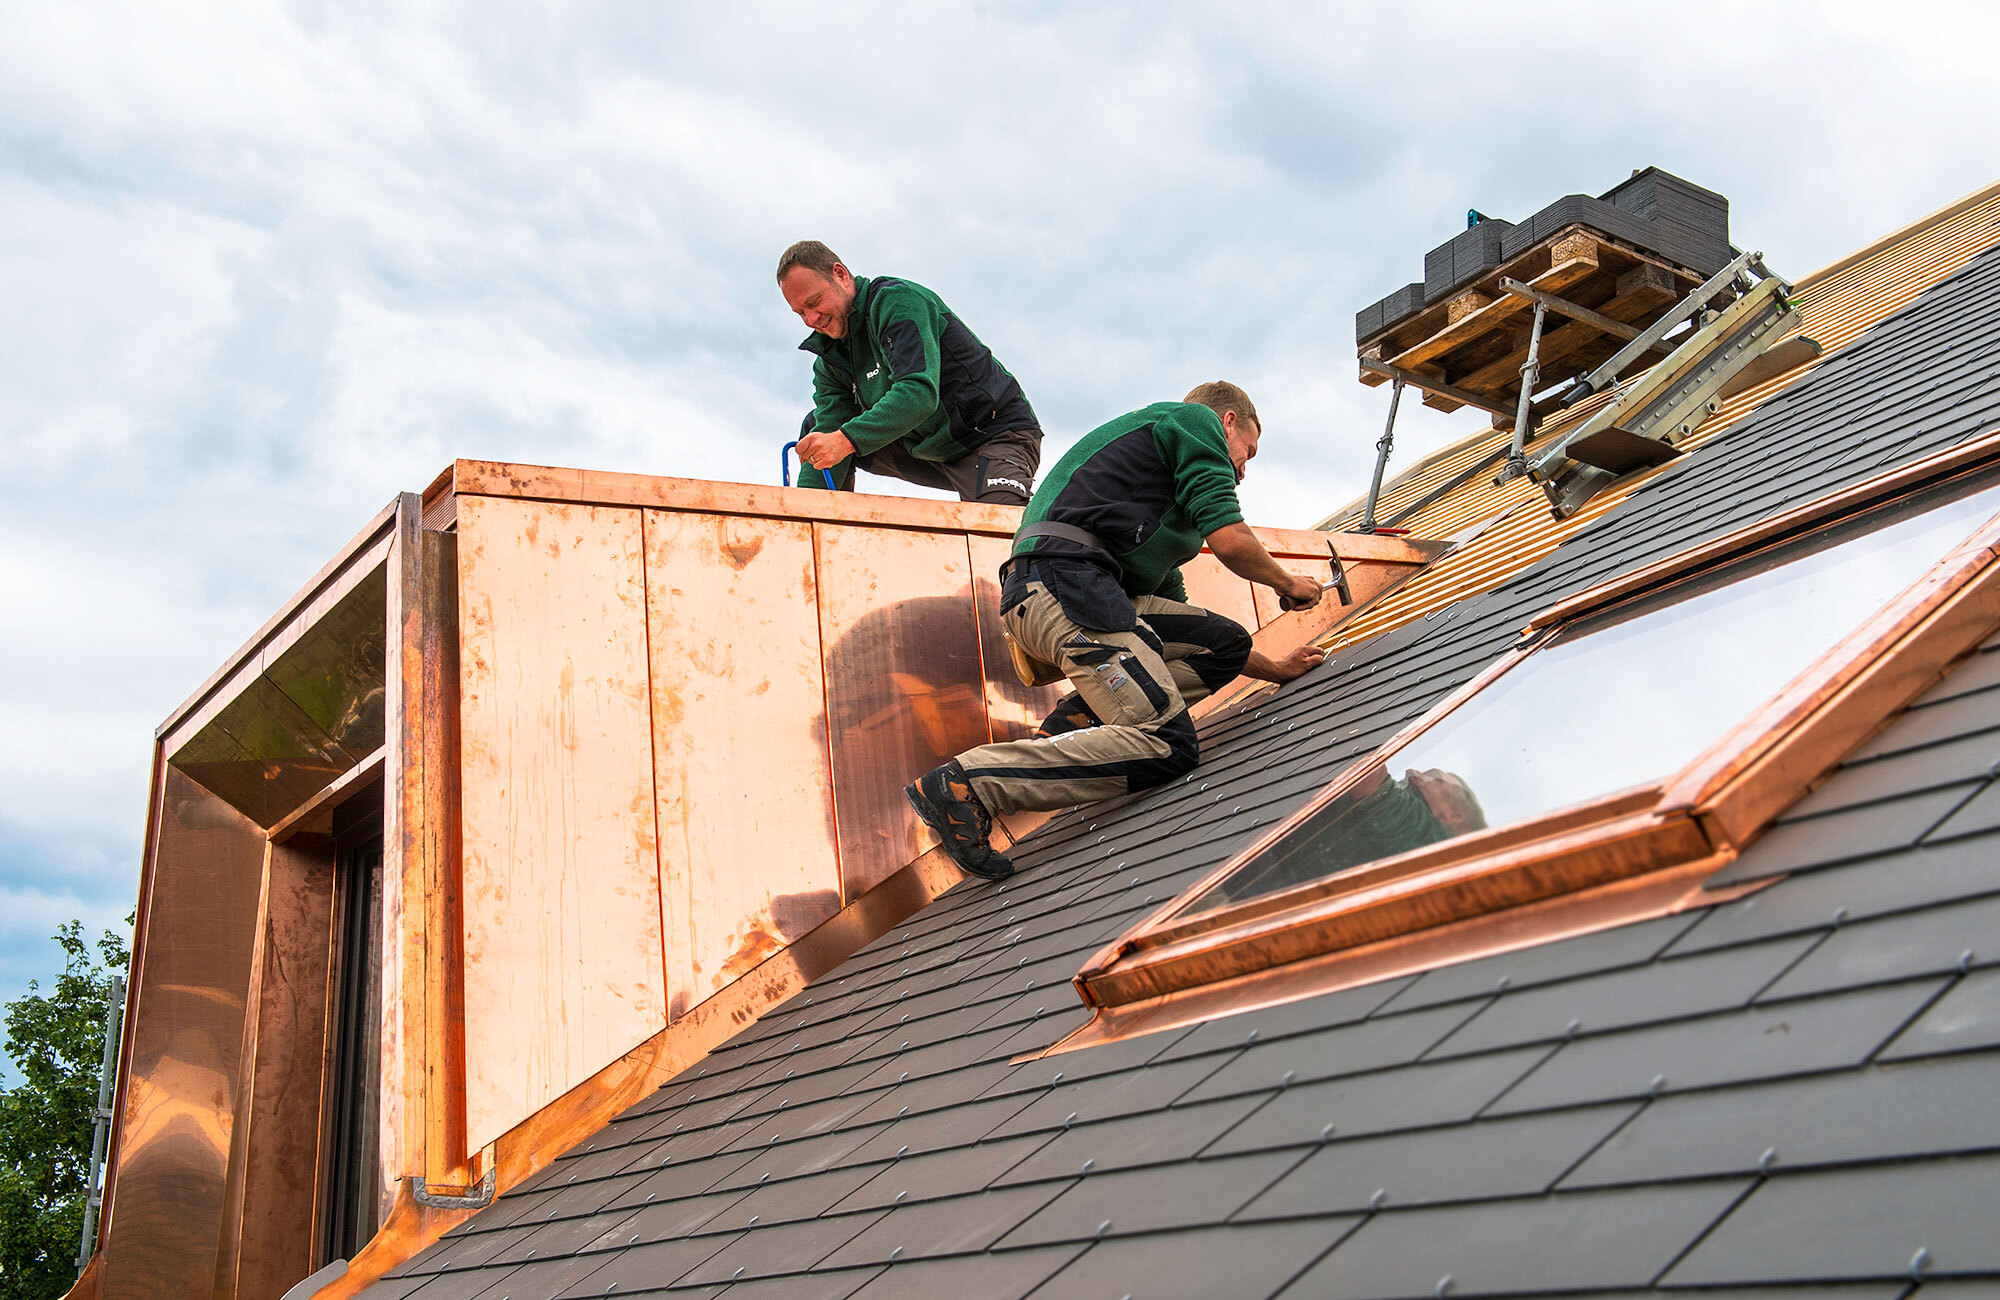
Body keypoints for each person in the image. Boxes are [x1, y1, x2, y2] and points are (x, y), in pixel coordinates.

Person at [904, 381, 1328, 879]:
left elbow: (1185, 631)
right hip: (1063, 586)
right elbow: (1232, 541)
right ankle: (968, 784)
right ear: (1228, 422)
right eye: (1247, 452)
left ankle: (1078, 728)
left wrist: (1276, 670)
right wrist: (1288, 582)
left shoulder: (1155, 507)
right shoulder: (1194, 423)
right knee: (1169, 745)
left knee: (1223, 643)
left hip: (1075, 589)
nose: (1241, 470)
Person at [777, 241, 1042, 505]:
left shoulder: (897, 302)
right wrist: (803, 514)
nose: (811, 319)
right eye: (800, 312)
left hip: (991, 437)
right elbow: (829, 429)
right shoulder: (829, 358)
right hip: (926, 449)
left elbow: (919, 393)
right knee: (821, 433)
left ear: (840, 275)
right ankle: (819, 521)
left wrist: (846, 439)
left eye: (814, 302)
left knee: (999, 528)